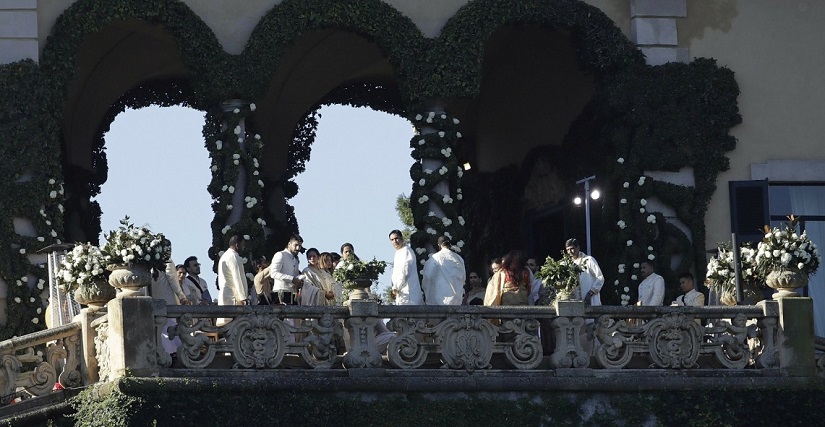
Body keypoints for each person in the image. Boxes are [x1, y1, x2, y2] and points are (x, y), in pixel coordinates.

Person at [421, 236, 466, 305]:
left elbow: (428, 277)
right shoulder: (459, 258)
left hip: (440, 299)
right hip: (456, 300)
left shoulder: (434, 258)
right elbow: (463, 278)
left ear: (439, 245)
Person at [565, 239, 605, 307]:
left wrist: (590, 293)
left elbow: (600, 278)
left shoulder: (589, 260)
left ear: (578, 248)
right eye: (568, 250)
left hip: (591, 299)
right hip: (576, 303)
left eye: (572, 249)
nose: (570, 252)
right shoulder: (568, 264)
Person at [389, 230, 423, 305]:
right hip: (401, 292)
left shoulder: (406, 251)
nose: (395, 241)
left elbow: (405, 271)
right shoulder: (398, 252)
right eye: (392, 240)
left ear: (402, 238)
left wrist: (397, 287)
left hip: (408, 291)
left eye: (396, 238)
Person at [270, 234, 305, 305]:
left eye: (300, 246)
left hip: (292, 294)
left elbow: (295, 277)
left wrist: (298, 281)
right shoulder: (280, 255)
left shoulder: (295, 260)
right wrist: (291, 279)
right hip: (280, 292)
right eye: (296, 245)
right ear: (289, 244)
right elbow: (273, 273)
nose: (298, 248)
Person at [218, 235, 249, 307]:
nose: (244, 247)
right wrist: (243, 297)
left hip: (226, 295)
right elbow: (237, 277)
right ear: (237, 245)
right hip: (233, 297)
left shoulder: (225, 255)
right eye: (243, 245)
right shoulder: (233, 256)